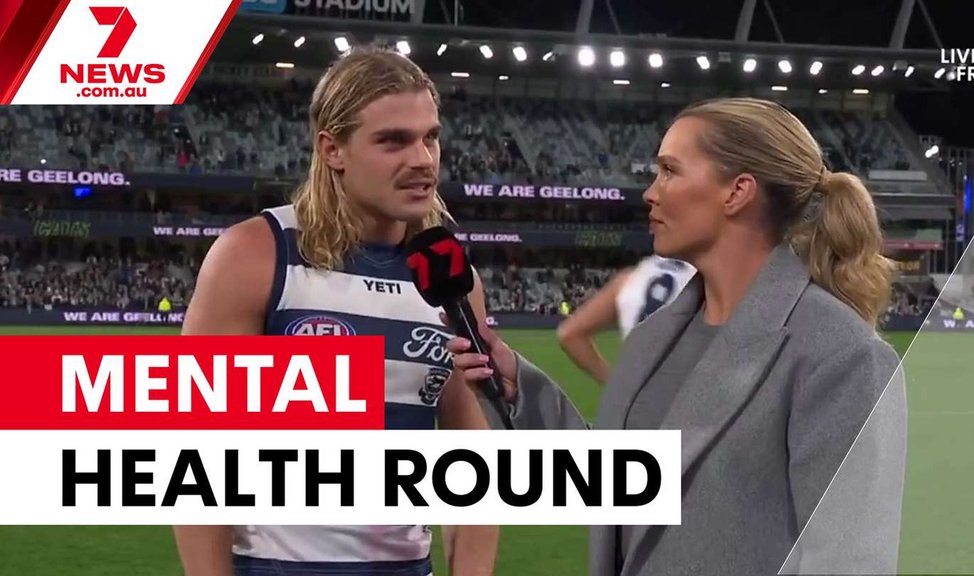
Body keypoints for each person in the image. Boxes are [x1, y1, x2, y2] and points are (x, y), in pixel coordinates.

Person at [447, 97, 907, 576]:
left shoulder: (842, 356)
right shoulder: (656, 336)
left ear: (737, 192)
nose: (650, 192)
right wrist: (521, 391)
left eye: (669, 171)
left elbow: (848, 562)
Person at [174, 47, 498, 576]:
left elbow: (470, 460)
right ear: (332, 149)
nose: (423, 159)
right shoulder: (255, 255)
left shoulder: (452, 281)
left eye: (430, 137)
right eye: (393, 140)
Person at [556, 255, 696, 384]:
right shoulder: (700, 275)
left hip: (638, 394)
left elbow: (569, 334)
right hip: (688, 391)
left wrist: (615, 385)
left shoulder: (632, 277)